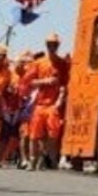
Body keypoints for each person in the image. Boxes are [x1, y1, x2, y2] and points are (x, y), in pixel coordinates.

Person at [24, 33, 70, 170]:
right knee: (34, 135)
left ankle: (50, 159)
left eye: (54, 44)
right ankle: (32, 160)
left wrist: (60, 98)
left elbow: (65, 83)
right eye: (50, 44)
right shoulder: (38, 63)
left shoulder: (62, 64)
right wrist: (45, 81)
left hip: (53, 105)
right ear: (46, 45)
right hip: (39, 104)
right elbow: (28, 82)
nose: (52, 47)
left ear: (58, 46)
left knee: (53, 134)